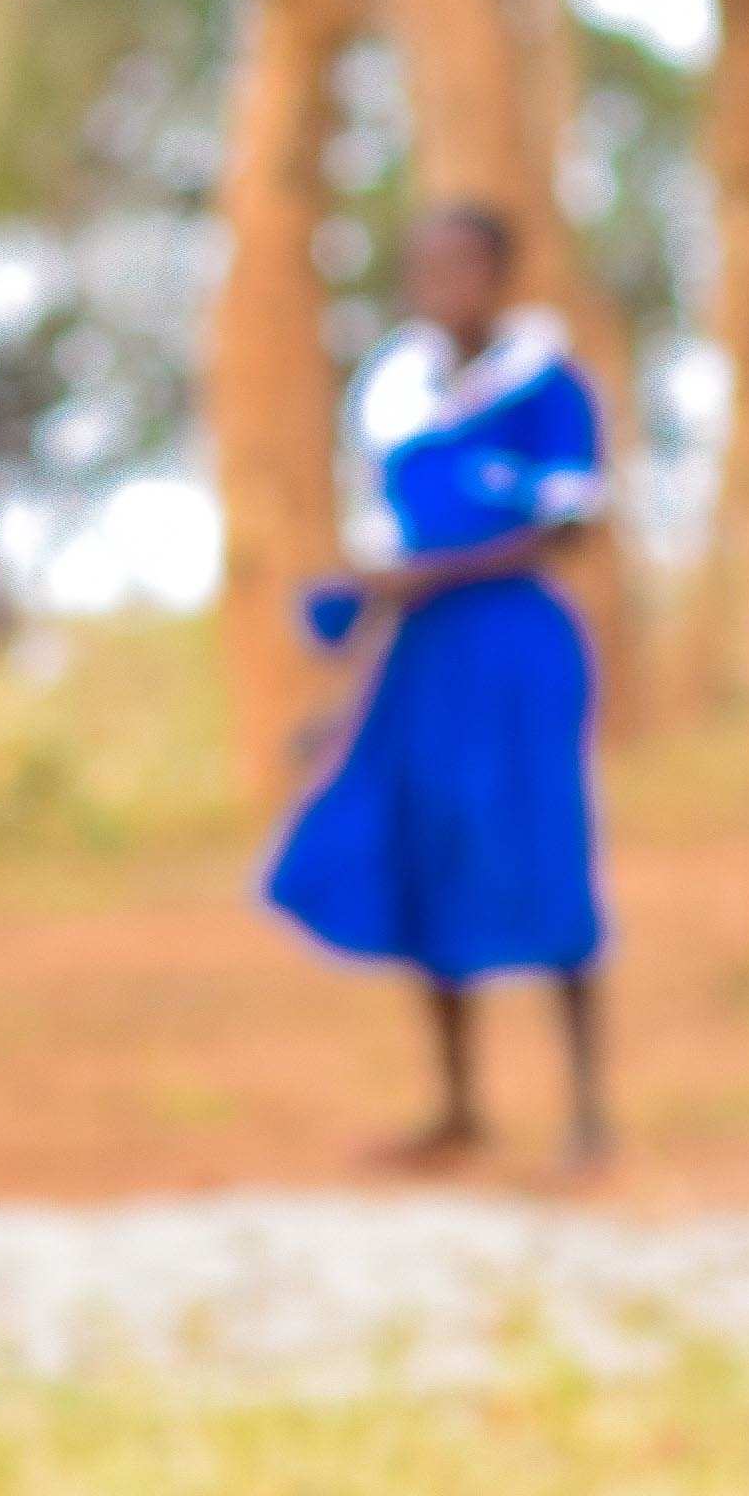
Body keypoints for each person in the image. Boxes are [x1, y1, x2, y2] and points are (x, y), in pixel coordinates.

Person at [264, 203, 615, 1172]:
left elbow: (568, 530)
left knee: (542, 845)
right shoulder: (399, 399)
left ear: (501, 274)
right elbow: (390, 547)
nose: (442, 287)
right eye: (426, 269)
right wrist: (352, 649)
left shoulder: (550, 389)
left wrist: (433, 577)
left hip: (515, 648)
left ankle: (588, 1110)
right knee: (426, 852)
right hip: (421, 658)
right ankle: (460, 1107)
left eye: (462, 267)